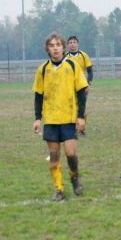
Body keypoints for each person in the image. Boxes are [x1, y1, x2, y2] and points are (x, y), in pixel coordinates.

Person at [32, 33, 88, 201]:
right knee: (54, 157)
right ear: (47, 49)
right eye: (52, 45)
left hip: (69, 119)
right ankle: (59, 190)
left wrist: (80, 117)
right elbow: (38, 95)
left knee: (71, 154)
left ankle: (74, 176)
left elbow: (81, 92)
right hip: (50, 120)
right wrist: (37, 119)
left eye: (58, 45)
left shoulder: (72, 66)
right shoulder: (43, 69)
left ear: (63, 48)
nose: (55, 48)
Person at [66, 35, 93, 135]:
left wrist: (88, 83)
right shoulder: (65, 57)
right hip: (69, 86)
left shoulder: (83, 55)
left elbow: (90, 71)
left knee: (82, 108)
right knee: (71, 107)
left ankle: (82, 128)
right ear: (68, 45)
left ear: (78, 44)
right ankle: (72, 128)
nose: (72, 44)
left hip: (82, 85)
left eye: (74, 42)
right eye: (70, 42)